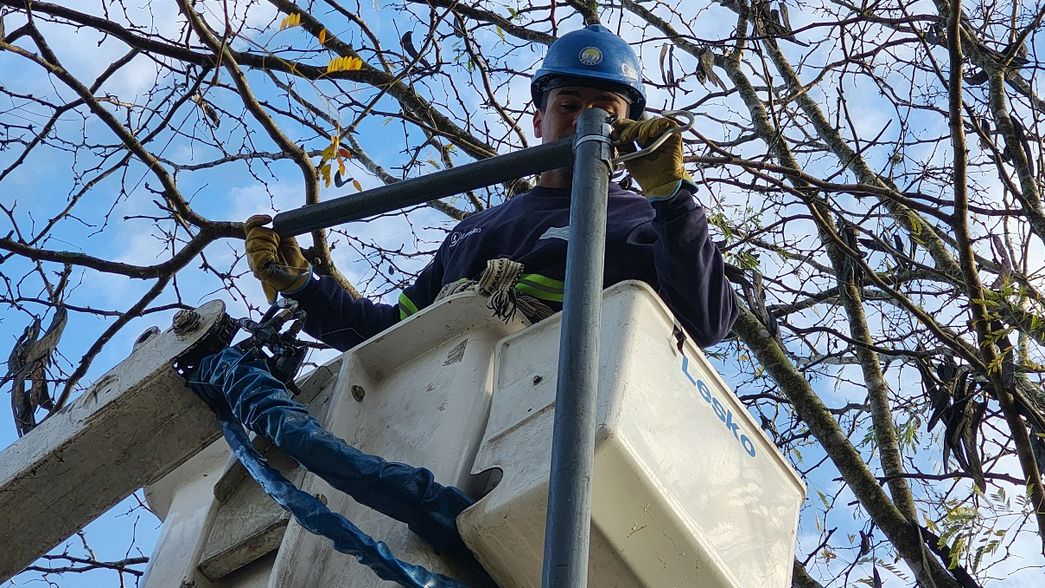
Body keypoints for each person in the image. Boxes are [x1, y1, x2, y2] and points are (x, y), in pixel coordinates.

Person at [245, 24, 737, 351]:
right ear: (538, 117)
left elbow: (707, 321)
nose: (588, 119)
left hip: (554, 422)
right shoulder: (476, 230)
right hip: (445, 418)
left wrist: (672, 198)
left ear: (631, 127)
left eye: (607, 108)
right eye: (569, 104)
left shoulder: (641, 222)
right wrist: (306, 291)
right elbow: (392, 337)